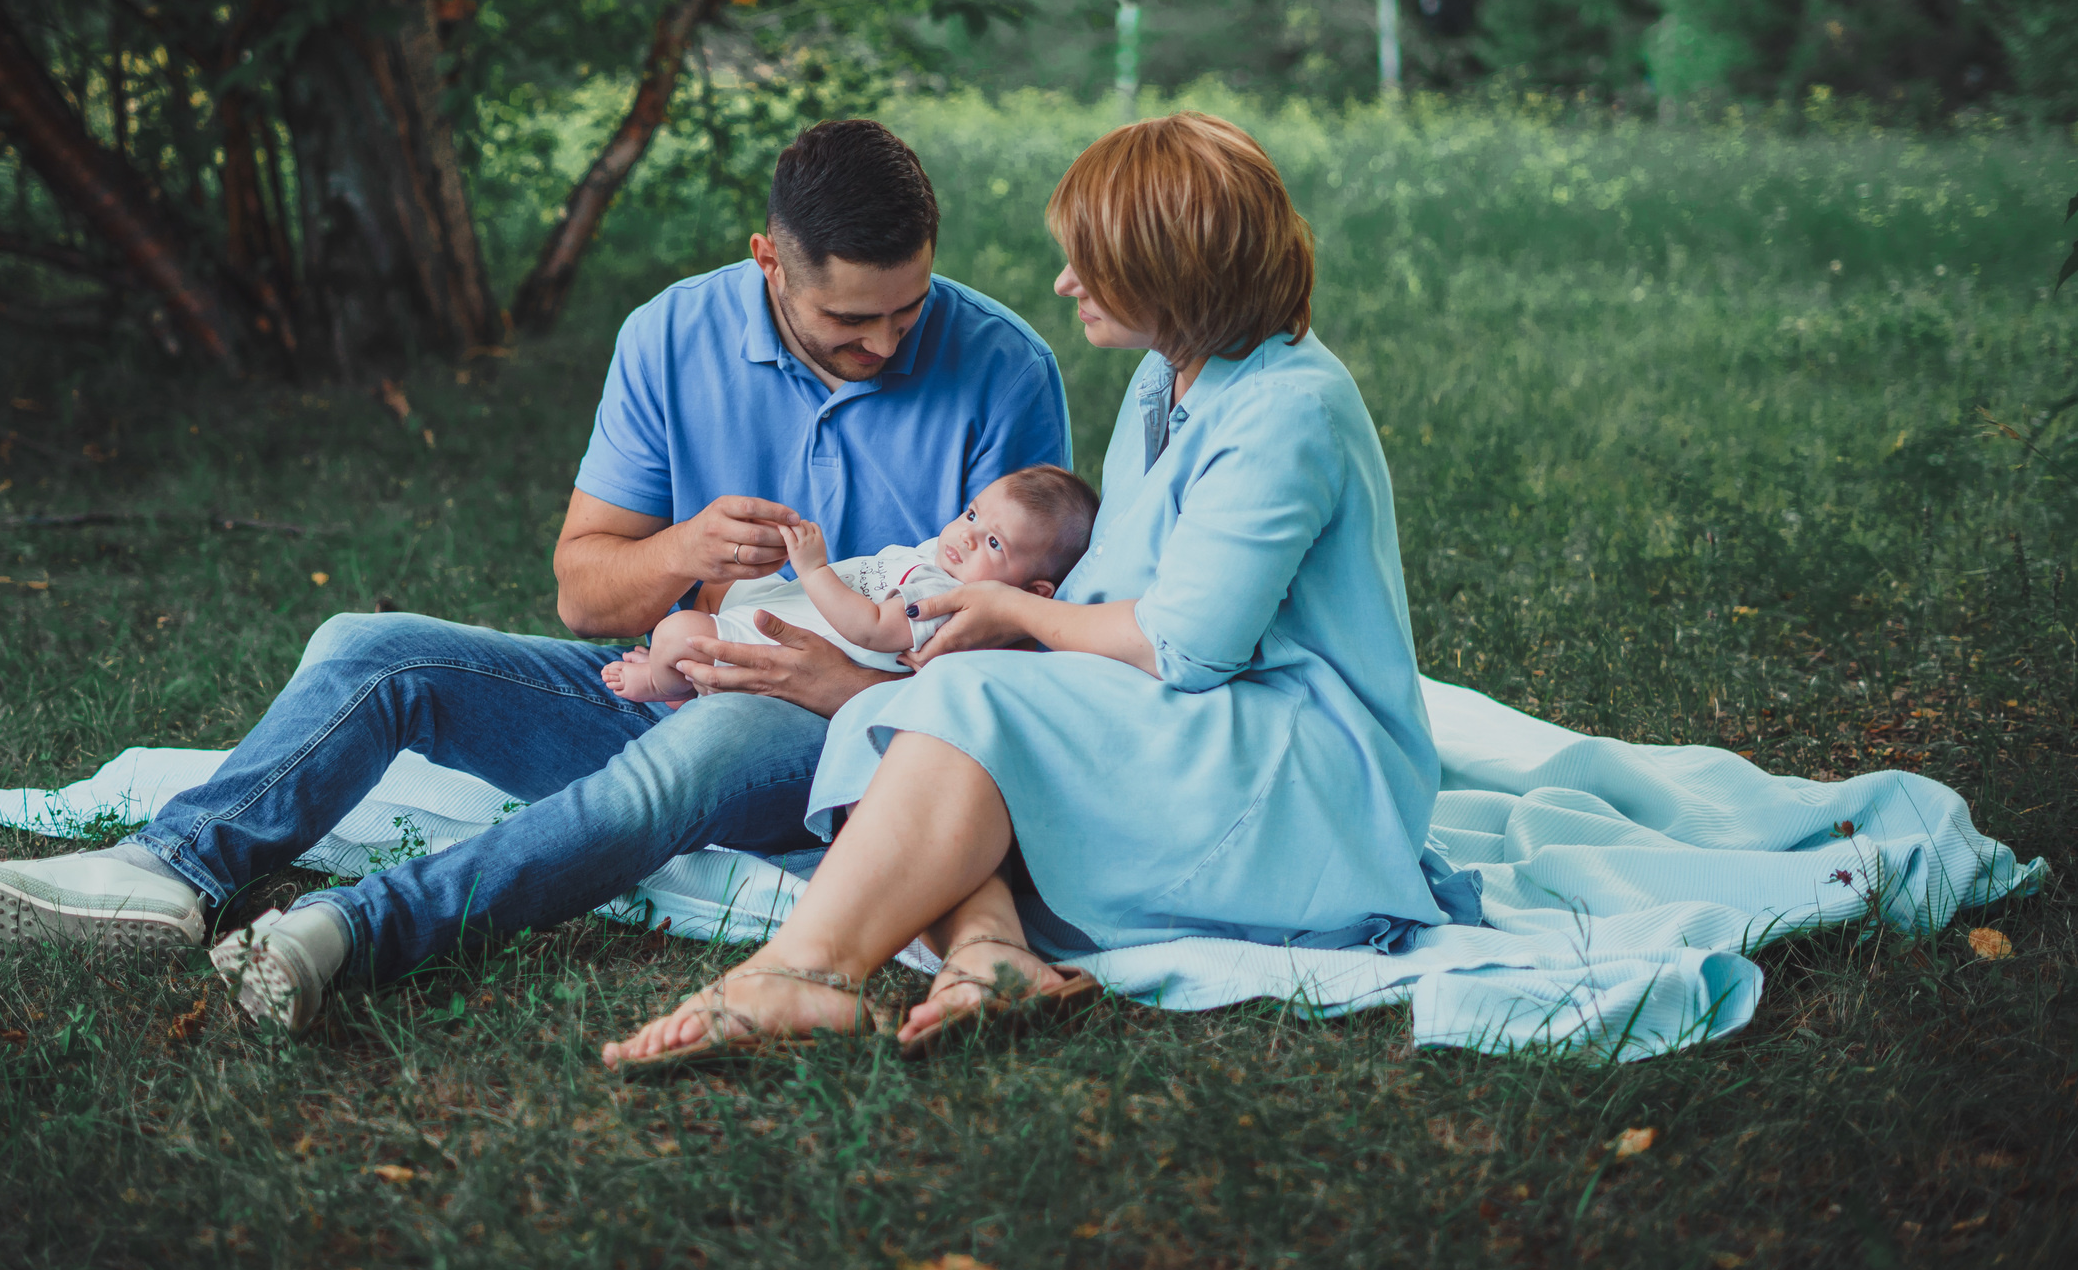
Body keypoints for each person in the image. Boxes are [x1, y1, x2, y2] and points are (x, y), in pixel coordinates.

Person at [0, 119, 1071, 1029]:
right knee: (367, 647)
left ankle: (342, 935)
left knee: (682, 765)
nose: (885, 346)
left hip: (851, 743)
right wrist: (681, 558)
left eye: (908, 312)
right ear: (768, 262)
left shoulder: (1002, 367)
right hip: (658, 673)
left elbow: (1012, 665)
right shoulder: (669, 333)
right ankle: (168, 872)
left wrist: (831, 681)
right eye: (849, 322)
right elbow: (583, 595)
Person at [601, 110, 1457, 1071]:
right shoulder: (1166, 380)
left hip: (1309, 767)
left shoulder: (1287, 413)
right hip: (1209, 721)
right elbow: (1121, 590)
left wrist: (1010, 610)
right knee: (925, 704)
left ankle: (804, 968)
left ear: (1175, 271)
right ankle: (987, 950)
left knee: (959, 697)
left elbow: (1188, 646)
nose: (1064, 282)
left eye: (1091, 262)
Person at [600, 464, 1100, 700]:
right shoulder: (944, 562)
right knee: (731, 592)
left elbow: (873, 631)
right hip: (795, 612)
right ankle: (686, 666)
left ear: (1033, 592)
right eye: (972, 515)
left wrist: (814, 569)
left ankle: (663, 685)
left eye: (995, 544)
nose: (967, 537)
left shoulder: (949, 601)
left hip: (782, 655)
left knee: (677, 633)